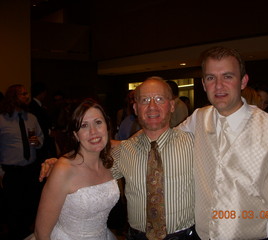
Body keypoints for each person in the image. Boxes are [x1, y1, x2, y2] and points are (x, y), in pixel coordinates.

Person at [40, 77, 198, 240]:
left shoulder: (193, 144)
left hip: (184, 235)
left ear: (171, 105)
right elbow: (90, 169)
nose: (152, 106)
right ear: (136, 108)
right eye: (145, 100)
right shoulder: (124, 150)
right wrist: (61, 163)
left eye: (159, 99)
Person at [178, 46, 268, 239]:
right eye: (211, 78)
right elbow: (165, 139)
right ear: (203, 84)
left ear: (243, 81)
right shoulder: (198, 118)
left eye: (227, 76)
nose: (218, 86)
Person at [33, 99, 119, 240]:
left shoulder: (111, 161)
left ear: (107, 126)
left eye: (98, 122)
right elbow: (41, 233)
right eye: (84, 125)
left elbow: (139, 140)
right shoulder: (63, 170)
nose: (93, 131)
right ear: (75, 134)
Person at [0, 84, 44, 240]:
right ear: (13, 97)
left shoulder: (31, 118)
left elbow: (41, 139)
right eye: (23, 94)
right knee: (13, 212)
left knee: (30, 208)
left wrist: (37, 142)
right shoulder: (2, 120)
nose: (27, 97)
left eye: (27, 94)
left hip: (30, 171)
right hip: (11, 172)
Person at [29, 82, 56, 162]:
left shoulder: (38, 106)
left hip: (41, 141)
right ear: (43, 93)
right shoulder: (34, 107)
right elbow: (39, 125)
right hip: (41, 143)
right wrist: (49, 131)